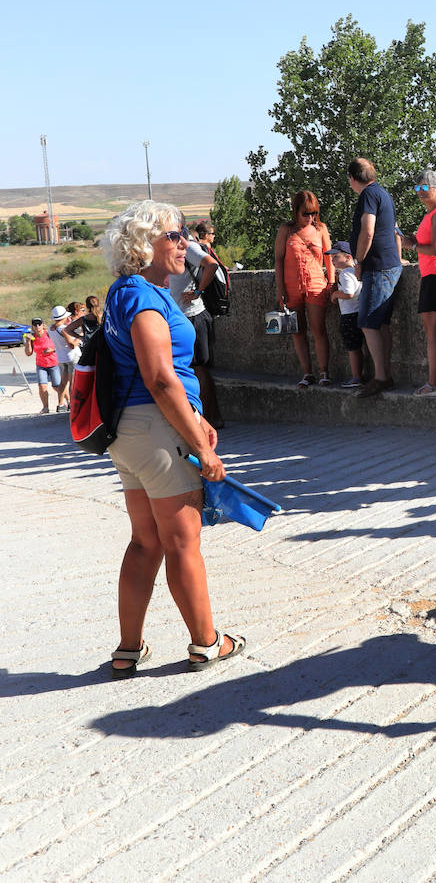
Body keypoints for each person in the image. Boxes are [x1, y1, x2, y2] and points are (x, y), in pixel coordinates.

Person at [97, 200, 245, 678]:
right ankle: (206, 643)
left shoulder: (124, 292)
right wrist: (200, 447)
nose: (186, 243)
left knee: (145, 542)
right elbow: (161, 379)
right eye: (174, 235)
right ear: (144, 244)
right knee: (183, 541)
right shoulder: (143, 298)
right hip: (158, 432)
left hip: (133, 433)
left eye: (185, 234)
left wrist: (197, 420)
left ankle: (127, 649)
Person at [400, 169, 436, 396]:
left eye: (425, 187)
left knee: (435, 333)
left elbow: (435, 249)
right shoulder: (434, 213)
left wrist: (411, 246)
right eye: (418, 188)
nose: (420, 192)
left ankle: (434, 384)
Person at [348, 158, 402, 398]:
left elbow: (367, 230)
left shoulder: (368, 195)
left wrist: (358, 261)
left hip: (378, 268)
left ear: (352, 178)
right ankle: (384, 374)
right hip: (388, 266)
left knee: (368, 322)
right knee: (381, 324)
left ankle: (381, 377)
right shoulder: (383, 193)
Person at [274, 191, 335, 389]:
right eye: (305, 214)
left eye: (313, 213)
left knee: (319, 329)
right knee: (297, 331)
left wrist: (331, 283)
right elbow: (279, 259)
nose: (309, 218)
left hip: (316, 285)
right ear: (296, 211)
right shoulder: (286, 230)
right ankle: (307, 373)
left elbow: (329, 258)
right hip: (292, 286)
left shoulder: (321, 229)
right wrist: (280, 288)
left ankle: (324, 371)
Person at [170, 223, 226, 427]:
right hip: (181, 318)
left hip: (193, 316)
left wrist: (198, 291)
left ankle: (211, 418)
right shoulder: (174, 246)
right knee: (189, 370)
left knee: (198, 369)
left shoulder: (189, 246)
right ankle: (202, 418)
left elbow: (212, 265)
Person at [326, 240, 366, 389]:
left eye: (336, 257)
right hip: (360, 312)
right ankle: (360, 375)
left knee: (353, 348)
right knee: (359, 347)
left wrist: (336, 294)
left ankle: (356, 377)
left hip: (349, 315)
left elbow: (349, 294)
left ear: (348, 257)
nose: (333, 261)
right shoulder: (357, 271)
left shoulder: (345, 274)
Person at [22, 318, 60, 414]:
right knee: (42, 387)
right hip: (41, 365)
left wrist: (52, 350)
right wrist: (28, 342)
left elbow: (60, 345)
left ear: (43, 325)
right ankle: (45, 407)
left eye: (39, 324)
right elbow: (28, 353)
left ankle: (68, 402)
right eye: (35, 325)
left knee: (57, 386)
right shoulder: (32, 337)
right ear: (32, 327)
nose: (37, 326)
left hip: (53, 363)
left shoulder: (49, 334)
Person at [49, 306, 76, 411]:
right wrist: (79, 337)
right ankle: (72, 404)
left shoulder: (51, 328)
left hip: (61, 358)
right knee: (72, 383)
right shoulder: (63, 329)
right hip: (71, 357)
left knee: (63, 383)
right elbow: (71, 345)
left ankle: (60, 404)